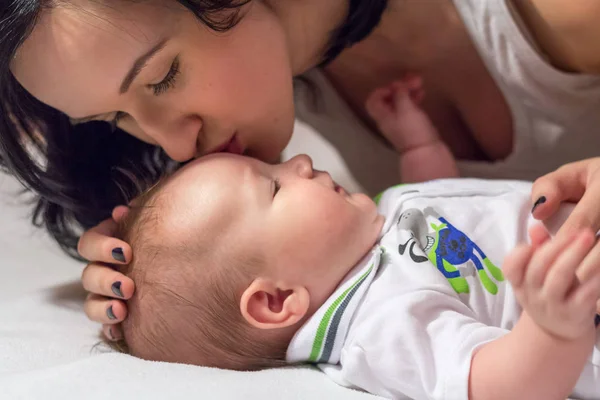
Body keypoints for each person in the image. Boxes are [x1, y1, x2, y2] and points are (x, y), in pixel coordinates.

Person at [3, 0, 600, 341]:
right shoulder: (292, 92)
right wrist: (151, 283)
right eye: (116, 118)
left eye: (162, 78)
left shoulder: (558, 16)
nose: (173, 144)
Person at [111, 149, 600, 400]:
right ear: (277, 300)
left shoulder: (374, 230)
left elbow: (447, 217)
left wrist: (419, 145)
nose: (298, 162)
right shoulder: (383, 322)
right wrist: (553, 328)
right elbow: (491, 386)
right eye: (274, 187)